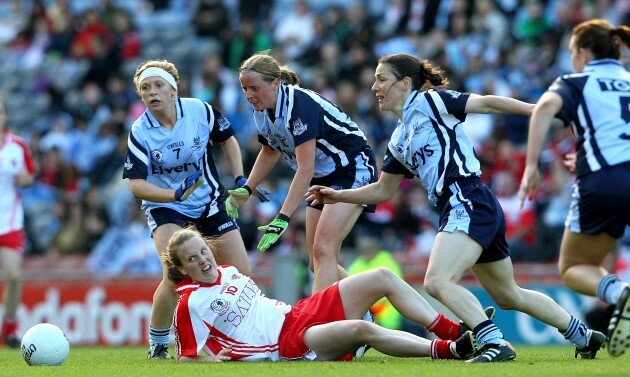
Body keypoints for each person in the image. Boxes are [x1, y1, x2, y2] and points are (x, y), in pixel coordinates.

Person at [306, 53, 606, 362]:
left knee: (437, 281)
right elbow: (383, 190)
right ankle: (583, 335)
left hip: (467, 197)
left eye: (381, 79)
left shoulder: (431, 102)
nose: (374, 87)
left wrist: (536, 110)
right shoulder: (398, 138)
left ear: (405, 83)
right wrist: (338, 196)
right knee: (508, 295)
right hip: (467, 204)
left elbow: (487, 103)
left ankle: (494, 343)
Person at [123, 59, 268, 359]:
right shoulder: (140, 131)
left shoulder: (200, 111)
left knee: (241, 273)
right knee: (175, 274)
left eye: (158, 85)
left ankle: (247, 337)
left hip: (209, 202)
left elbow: (227, 140)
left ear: (174, 90)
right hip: (166, 207)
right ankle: (159, 345)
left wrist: (241, 178)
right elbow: (136, 185)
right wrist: (173, 194)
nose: (152, 92)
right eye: (145, 88)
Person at [164, 226, 478, 362]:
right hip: (285, 344)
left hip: (298, 313)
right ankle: (450, 350)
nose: (203, 260)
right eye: (192, 259)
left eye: (203, 251)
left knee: (382, 276)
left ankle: (455, 330)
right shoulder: (190, 302)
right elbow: (185, 356)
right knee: (362, 329)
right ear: (182, 268)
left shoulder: (229, 271)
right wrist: (213, 362)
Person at [518, 19, 630, 357]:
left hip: (604, 183)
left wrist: (532, 165)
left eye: (570, 52)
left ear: (582, 52)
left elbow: (545, 108)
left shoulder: (577, 81)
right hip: (613, 172)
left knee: (573, 267)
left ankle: (619, 293)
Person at [226, 52, 379, 295]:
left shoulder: (299, 105)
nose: (248, 95)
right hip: (323, 176)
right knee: (316, 262)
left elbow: (305, 168)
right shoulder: (262, 109)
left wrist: (282, 218)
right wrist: (247, 188)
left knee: (323, 251)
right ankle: (363, 308)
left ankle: (321, 322)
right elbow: (269, 151)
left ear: (275, 83)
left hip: (351, 168)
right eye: (244, 88)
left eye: (254, 88)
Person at [0, 98, 36, 348]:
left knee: (13, 275)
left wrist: (25, 179)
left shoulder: (18, 145)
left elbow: (29, 175)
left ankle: (9, 329)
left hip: (9, 221)